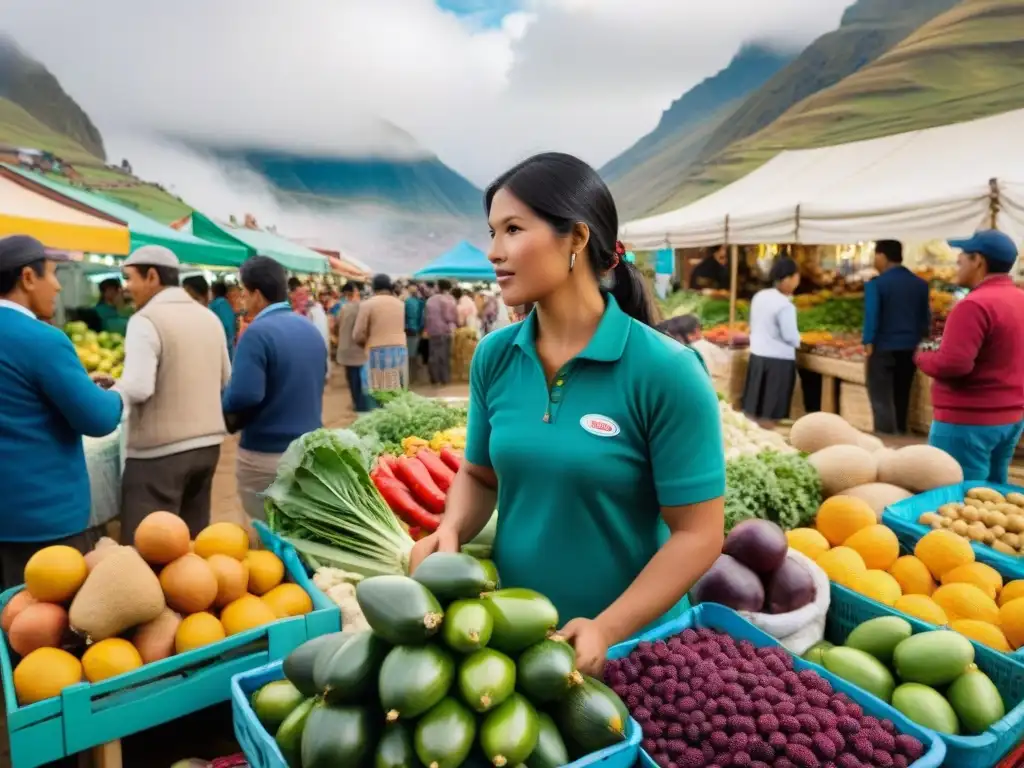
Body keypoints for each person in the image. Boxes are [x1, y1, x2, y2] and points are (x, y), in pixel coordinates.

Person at [408, 152, 725, 675]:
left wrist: (608, 627)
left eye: (512, 229)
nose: (493, 252)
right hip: (517, 640)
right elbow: (478, 474)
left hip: (639, 653)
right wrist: (451, 530)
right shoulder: (495, 355)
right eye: (491, 232)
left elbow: (700, 534)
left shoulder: (667, 371)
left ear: (576, 239)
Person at [0, 236, 124, 588]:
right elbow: (97, 419)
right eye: (52, 274)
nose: (57, 286)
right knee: (45, 632)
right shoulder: (42, 339)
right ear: (27, 277)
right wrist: (117, 396)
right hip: (43, 525)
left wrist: (76, 384)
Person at [116, 246, 232, 541]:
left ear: (152, 276)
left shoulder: (145, 320)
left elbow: (139, 387)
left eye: (130, 278)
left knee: (148, 549)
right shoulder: (208, 318)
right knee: (190, 546)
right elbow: (225, 376)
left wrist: (112, 390)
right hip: (207, 447)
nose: (126, 287)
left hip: (159, 455)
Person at [916, 230, 1024, 484]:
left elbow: (954, 365)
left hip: (968, 421)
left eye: (962, 256)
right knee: (994, 496)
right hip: (1011, 417)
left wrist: (922, 358)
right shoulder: (1020, 298)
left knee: (958, 498)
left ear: (978, 261)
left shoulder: (973, 305)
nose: (957, 262)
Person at [223, 257, 327, 519]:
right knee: (300, 530)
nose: (243, 300)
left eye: (244, 293)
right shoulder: (309, 328)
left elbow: (245, 394)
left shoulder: (257, 333)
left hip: (266, 455)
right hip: (308, 451)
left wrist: (223, 398)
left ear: (257, 294)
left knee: (266, 534)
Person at [863, 240, 931, 435]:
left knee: (881, 397)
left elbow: (872, 315)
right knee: (902, 395)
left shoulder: (877, 284)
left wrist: (869, 342)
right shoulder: (919, 284)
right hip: (910, 347)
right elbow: (925, 318)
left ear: (882, 256)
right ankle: (901, 432)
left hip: (883, 347)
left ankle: (885, 437)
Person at [742, 258, 802, 423]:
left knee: (754, 410)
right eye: (797, 277)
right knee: (772, 414)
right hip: (778, 363)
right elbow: (790, 336)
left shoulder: (760, 296)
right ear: (788, 278)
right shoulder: (785, 305)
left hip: (757, 357)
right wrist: (799, 340)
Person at [353, 273, 409, 395]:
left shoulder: (367, 304)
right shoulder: (400, 304)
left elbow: (358, 333)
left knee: (375, 393)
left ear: (373, 287)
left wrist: (364, 343)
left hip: (376, 351)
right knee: (396, 391)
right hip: (400, 350)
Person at [336, 281, 373, 413]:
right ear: (356, 292)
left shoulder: (343, 308)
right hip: (359, 350)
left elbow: (337, 325)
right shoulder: (364, 307)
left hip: (345, 350)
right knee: (362, 380)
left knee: (352, 380)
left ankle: (357, 404)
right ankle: (363, 406)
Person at [424, 278, 457, 385]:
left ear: (438, 287)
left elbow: (426, 317)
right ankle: (444, 379)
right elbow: (450, 317)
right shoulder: (449, 299)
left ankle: (434, 378)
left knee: (433, 355)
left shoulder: (430, 300)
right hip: (445, 331)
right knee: (445, 356)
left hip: (433, 331)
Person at [209, 281, 239, 359]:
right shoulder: (227, 304)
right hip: (231, 336)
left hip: (222, 338)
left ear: (213, 292)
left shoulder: (213, 306)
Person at [404, 281, 426, 380]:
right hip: (417, 329)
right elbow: (422, 317)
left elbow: (404, 316)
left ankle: (410, 376)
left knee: (409, 354)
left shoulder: (407, 302)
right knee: (415, 353)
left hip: (409, 329)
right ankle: (415, 376)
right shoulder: (420, 302)